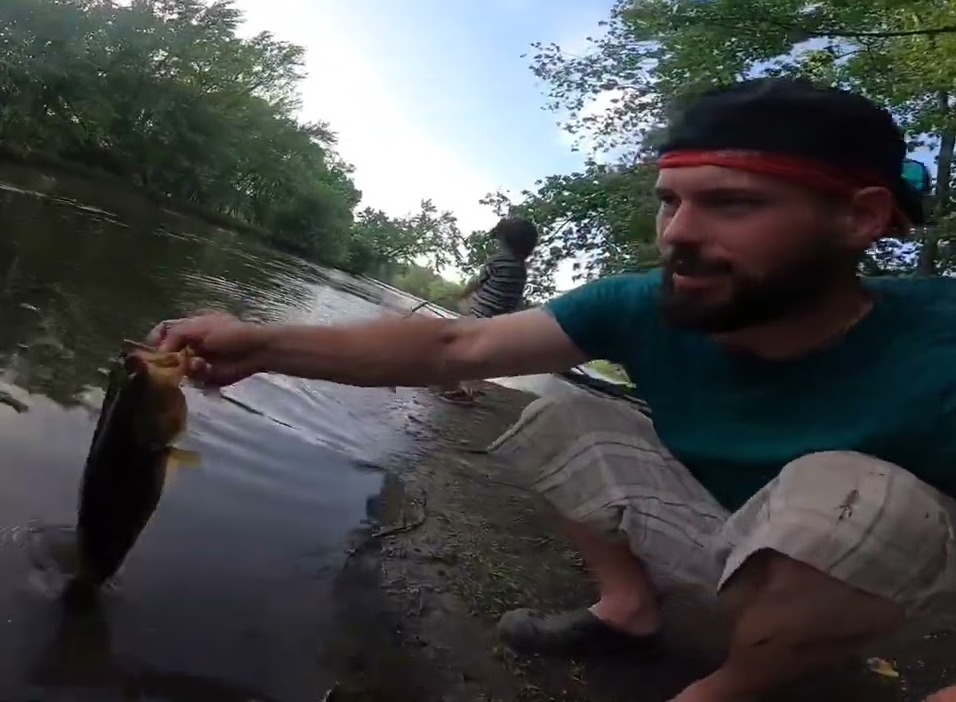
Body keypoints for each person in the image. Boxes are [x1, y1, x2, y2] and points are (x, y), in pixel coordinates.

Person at [146, 78, 956, 702]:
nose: (677, 234)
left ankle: (726, 689)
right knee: (565, 413)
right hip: (725, 540)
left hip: (868, 574)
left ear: (859, 218)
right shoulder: (641, 303)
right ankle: (627, 610)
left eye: (732, 204)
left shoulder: (942, 341)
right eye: (670, 201)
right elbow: (458, 343)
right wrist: (263, 343)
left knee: (860, 494)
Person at [436, 215, 538, 403]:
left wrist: (462, 294)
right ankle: (470, 387)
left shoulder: (496, 261)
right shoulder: (521, 269)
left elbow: (477, 282)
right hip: (500, 322)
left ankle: (458, 388)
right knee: (477, 354)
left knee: (457, 346)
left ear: (505, 241)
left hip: (479, 316)